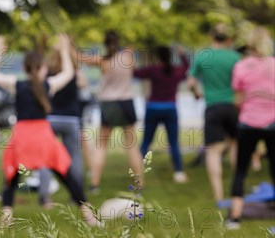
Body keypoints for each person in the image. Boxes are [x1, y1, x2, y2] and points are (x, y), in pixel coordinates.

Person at [0, 35, 102, 227]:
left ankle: (5, 219)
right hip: (42, 137)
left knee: (12, 178)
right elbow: (68, 73)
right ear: (43, 69)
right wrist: (65, 50)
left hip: (22, 137)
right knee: (66, 175)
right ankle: (88, 216)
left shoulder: (17, 84)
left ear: (25, 68)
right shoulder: (49, 85)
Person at [77, 31, 143, 193]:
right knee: (132, 145)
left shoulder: (103, 61)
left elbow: (82, 58)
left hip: (109, 104)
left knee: (101, 145)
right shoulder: (128, 57)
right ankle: (140, 184)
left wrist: (69, 46)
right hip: (127, 102)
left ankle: (94, 184)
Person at [226, 27, 275, 230]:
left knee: (240, 170)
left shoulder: (242, 66)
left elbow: (238, 99)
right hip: (272, 123)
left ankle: (234, 218)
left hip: (247, 122)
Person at [187, 24, 241, 202]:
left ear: (212, 37)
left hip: (212, 108)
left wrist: (196, 94)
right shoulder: (236, 58)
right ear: (228, 39)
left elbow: (191, 82)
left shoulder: (203, 56)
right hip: (232, 107)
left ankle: (219, 196)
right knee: (235, 146)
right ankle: (238, 190)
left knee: (213, 151)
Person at [38, 45, 87, 207]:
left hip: (50, 119)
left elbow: (39, 85)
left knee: (45, 158)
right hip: (71, 119)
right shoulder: (73, 71)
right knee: (74, 158)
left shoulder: (49, 73)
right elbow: (83, 84)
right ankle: (77, 196)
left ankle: (44, 197)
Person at [134, 46, 189, 183]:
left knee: (146, 142)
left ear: (158, 57)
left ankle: (138, 172)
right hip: (170, 109)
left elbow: (135, 73)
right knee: (173, 143)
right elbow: (187, 68)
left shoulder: (153, 70)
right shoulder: (176, 71)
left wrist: (131, 58)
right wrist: (182, 55)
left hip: (153, 109)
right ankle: (179, 172)